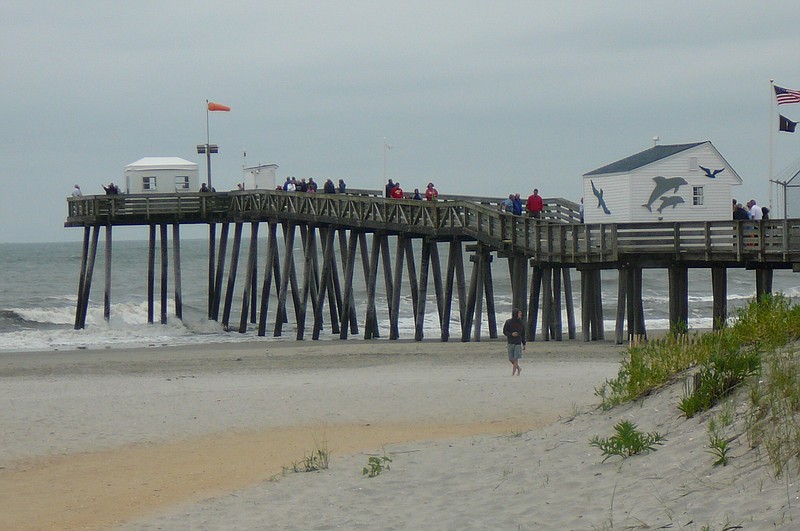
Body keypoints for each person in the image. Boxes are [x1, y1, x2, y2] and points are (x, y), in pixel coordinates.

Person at [502, 308, 526, 376]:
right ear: (515, 314)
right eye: (519, 313)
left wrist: (524, 343)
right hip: (510, 342)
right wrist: (511, 334)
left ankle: (513, 373)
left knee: (516, 358)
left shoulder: (521, 323)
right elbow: (504, 331)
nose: (520, 314)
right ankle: (518, 368)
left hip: (518, 342)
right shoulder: (508, 322)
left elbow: (523, 334)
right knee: (511, 359)